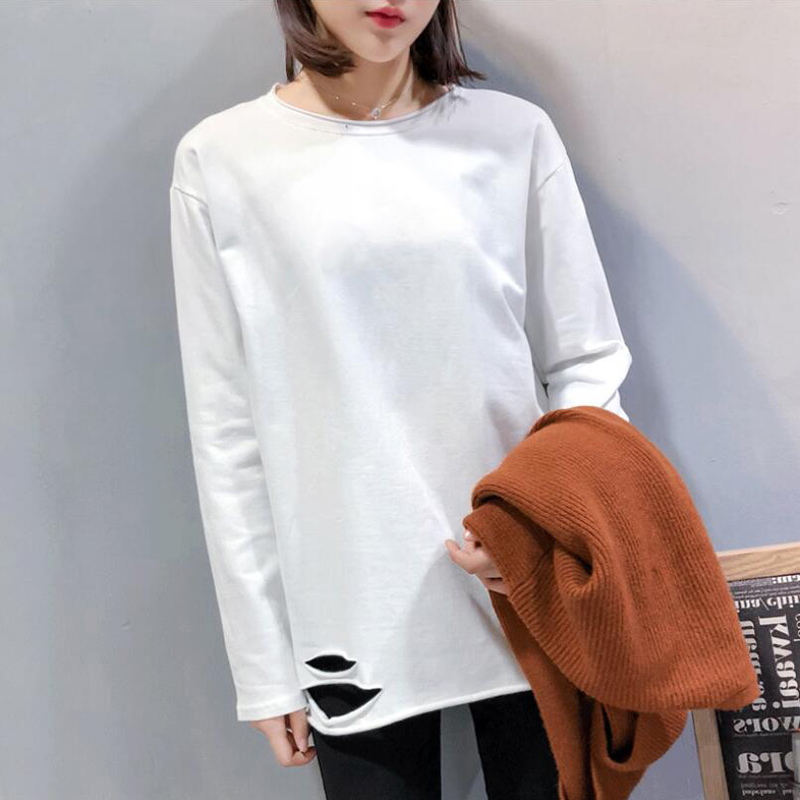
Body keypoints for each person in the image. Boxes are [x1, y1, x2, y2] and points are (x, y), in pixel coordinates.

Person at [168, 1, 632, 798]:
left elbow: (587, 363)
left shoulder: (512, 136)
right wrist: (262, 663)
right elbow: (227, 429)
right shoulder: (222, 159)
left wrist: (546, 532)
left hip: (528, 584)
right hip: (350, 599)